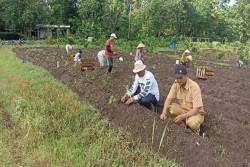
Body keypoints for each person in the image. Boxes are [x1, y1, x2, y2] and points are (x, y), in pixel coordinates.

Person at [160, 64, 204, 135]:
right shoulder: (176, 84)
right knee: (169, 108)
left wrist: (183, 116)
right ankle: (183, 124)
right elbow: (169, 99)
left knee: (192, 123)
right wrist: (163, 113)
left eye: (180, 78)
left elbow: (196, 110)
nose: (178, 80)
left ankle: (195, 132)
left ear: (186, 75)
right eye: (177, 78)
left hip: (195, 113)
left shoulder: (194, 87)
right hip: (183, 110)